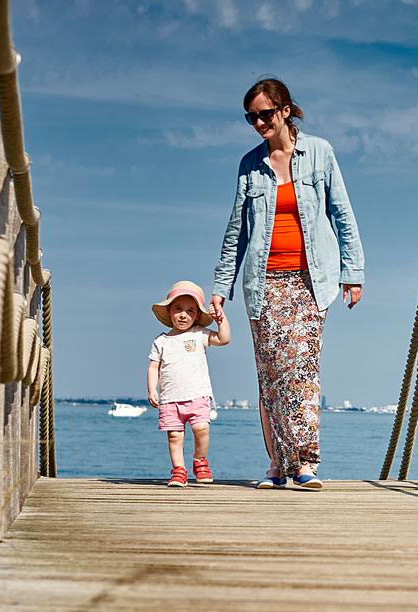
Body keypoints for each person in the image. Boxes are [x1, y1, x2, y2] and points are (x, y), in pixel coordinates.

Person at [212, 77, 364, 490]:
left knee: (302, 369)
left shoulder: (319, 152)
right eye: (251, 117)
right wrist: (220, 287)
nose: (258, 122)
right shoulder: (250, 164)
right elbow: (235, 233)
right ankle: (279, 465)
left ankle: (306, 464)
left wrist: (353, 273)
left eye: (264, 114)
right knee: (272, 373)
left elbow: (342, 214)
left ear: (283, 110)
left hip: (312, 279)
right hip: (263, 283)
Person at [147, 280, 231, 487]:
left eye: (190, 310)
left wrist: (221, 320)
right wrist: (152, 390)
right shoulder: (161, 341)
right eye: (178, 309)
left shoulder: (199, 334)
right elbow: (153, 367)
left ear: (197, 315)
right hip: (170, 399)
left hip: (198, 395)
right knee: (174, 436)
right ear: (169, 312)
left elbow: (224, 339)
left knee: (201, 428)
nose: (183, 315)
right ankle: (178, 470)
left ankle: (200, 461)